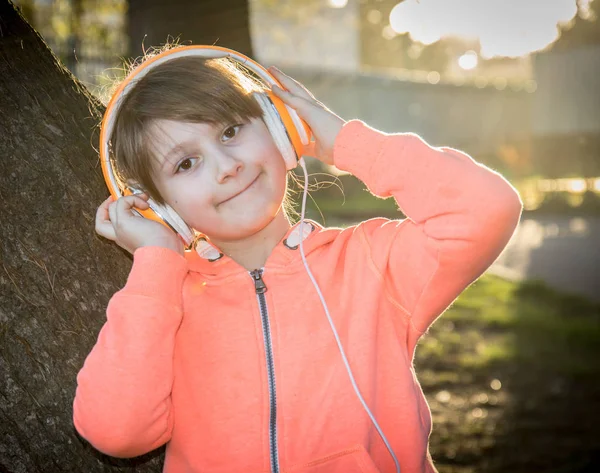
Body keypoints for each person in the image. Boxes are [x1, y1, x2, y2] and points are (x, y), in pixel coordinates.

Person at [73, 45, 523, 473]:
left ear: (281, 129)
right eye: (185, 164)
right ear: (160, 206)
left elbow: (486, 208)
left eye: (231, 131)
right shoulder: (164, 304)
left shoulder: (368, 265)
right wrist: (155, 261)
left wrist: (341, 143)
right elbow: (115, 430)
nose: (226, 165)